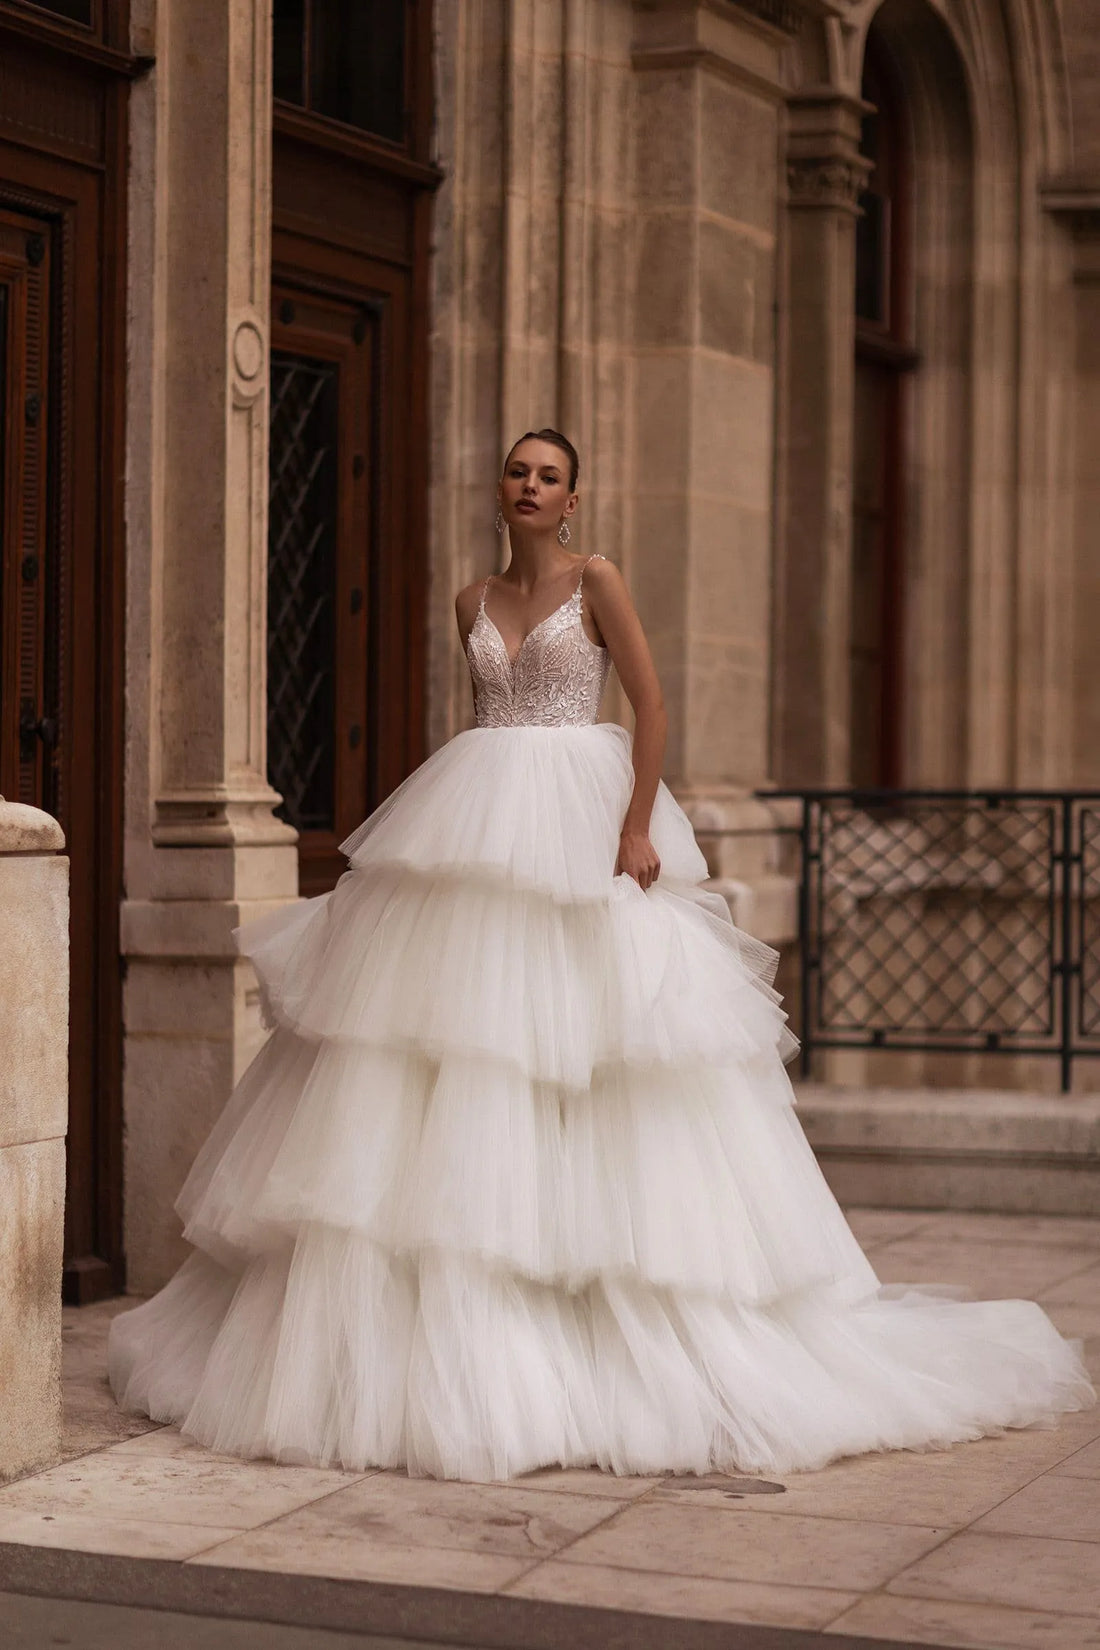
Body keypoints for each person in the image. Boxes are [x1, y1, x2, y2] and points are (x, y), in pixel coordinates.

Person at [109, 428, 1095, 1482]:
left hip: (582, 819)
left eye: (548, 475)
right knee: (451, 1050)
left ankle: (608, 1319)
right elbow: (490, 712)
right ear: (499, 490)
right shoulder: (467, 601)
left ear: (573, 499)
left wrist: (634, 828)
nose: (529, 487)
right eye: (516, 472)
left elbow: (652, 705)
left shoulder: (598, 579)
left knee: (593, 1053)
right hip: (475, 817)